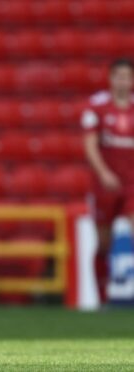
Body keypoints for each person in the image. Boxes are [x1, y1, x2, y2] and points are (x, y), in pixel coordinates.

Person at [81, 58, 134, 305]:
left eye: (127, 77)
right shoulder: (97, 107)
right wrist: (103, 173)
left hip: (132, 184)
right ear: (111, 78)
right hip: (105, 185)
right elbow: (90, 144)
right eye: (118, 76)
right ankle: (102, 297)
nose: (123, 81)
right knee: (104, 242)